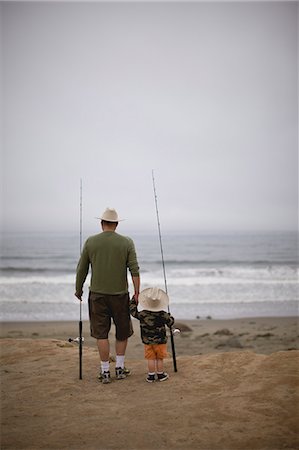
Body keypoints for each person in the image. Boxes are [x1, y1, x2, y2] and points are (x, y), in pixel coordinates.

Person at [75, 207, 140, 384]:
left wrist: (78, 289)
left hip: (97, 296)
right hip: (120, 295)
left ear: (101, 223)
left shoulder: (91, 242)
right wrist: (137, 293)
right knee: (122, 332)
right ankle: (119, 368)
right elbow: (134, 269)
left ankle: (105, 372)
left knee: (101, 334)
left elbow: (82, 268)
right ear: (116, 224)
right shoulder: (126, 242)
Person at [129, 287, 174, 383]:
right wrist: (170, 316)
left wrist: (134, 300)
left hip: (147, 341)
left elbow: (133, 312)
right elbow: (170, 322)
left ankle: (151, 375)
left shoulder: (142, 314)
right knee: (159, 358)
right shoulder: (163, 314)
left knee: (151, 358)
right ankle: (160, 374)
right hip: (160, 341)